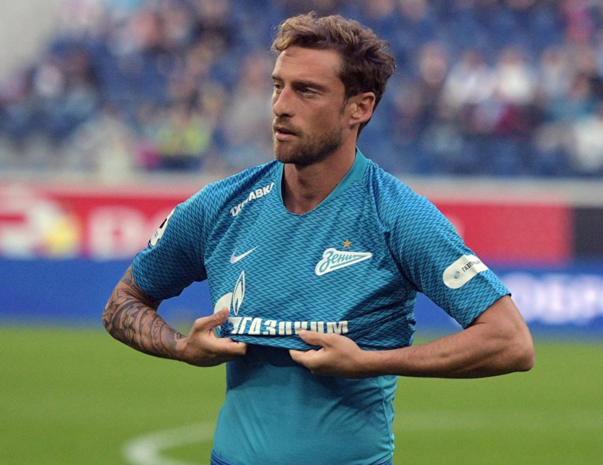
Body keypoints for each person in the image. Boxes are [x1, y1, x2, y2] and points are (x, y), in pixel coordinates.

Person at [103, 13, 534, 465]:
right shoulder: (220, 207)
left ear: (359, 108)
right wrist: (181, 348)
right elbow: (122, 302)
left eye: (306, 90)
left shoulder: (398, 215)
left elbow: (510, 342)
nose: (281, 105)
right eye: (278, 86)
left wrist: (370, 362)